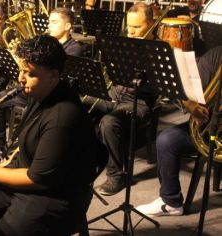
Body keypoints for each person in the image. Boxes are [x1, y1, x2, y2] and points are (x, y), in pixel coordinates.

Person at [0, 34, 107, 236]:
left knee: (6, 232)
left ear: (54, 75)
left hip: (55, 195)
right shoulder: (39, 92)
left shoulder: (63, 116)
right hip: (27, 173)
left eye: (30, 73)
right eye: (21, 70)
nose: (21, 79)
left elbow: (37, 179)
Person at [136, 46, 222, 216]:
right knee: (167, 140)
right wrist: (192, 105)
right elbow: (191, 90)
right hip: (211, 126)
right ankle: (171, 201)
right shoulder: (217, 54)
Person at [84, 2, 157, 196]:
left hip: (139, 103)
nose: (131, 32)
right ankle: (82, 161)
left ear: (150, 23)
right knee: (80, 101)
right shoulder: (123, 44)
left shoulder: (158, 50)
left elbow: (159, 89)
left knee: (109, 122)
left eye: (137, 27)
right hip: (114, 96)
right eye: (129, 27)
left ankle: (117, 176)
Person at [0, 7, 82, 152]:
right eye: (49, 22)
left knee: (29, 113)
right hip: (31, 87)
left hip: (49, 92)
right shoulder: (43, 44)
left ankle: (26, 149)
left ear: (67, 26)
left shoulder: (73, 48)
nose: (48, 26)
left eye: (54, 22)